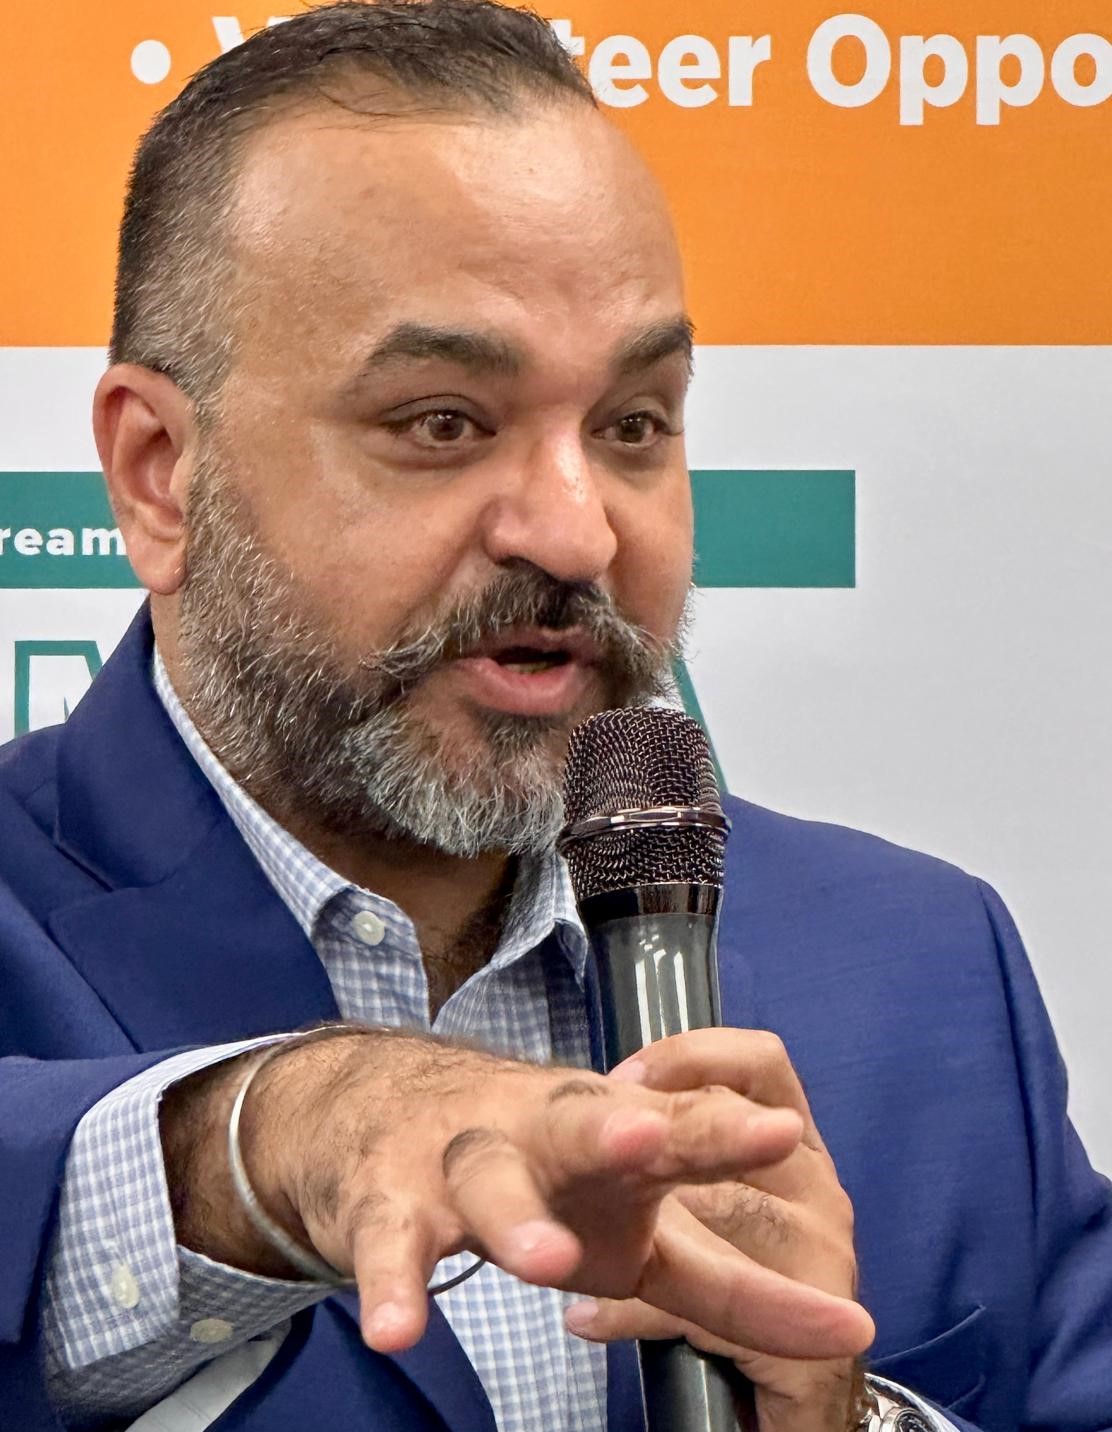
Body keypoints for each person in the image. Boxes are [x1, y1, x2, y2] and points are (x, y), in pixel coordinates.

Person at [0, 3, 1108, 1430]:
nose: (579, 533)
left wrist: (856, 1419)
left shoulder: (926, 967)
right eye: (444, 423)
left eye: (633, 424)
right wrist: (268, 1136)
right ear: (160, 473)